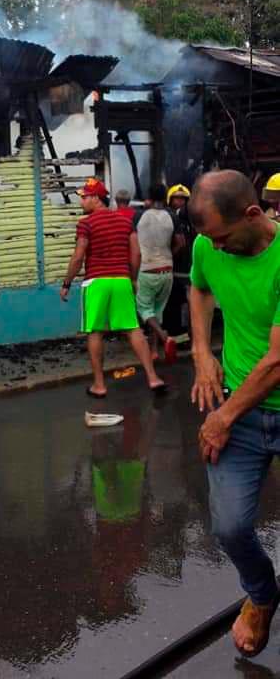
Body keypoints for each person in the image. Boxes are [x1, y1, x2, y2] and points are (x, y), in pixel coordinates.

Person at [188, 170, 280, 658]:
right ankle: (263, 595)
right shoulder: (209, 246)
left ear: (253, 214)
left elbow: (277, 361)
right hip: (242, 408)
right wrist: (203, 353)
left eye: (221, 238)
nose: (215, 249)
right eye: (208, 240)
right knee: (229, 526)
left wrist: (221, 417)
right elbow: (200, 290)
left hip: (248, 402)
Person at [60, 177, 165, 398]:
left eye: (85, 197)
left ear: (96, 199)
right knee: (132, 328)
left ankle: (99, 385)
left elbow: (79, 255)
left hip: (97, 282)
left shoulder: (86, 223)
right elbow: (136, 253)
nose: (82, 202)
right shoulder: (126, 222)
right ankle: (153, 378)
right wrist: (133, 278)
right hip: (121, 280)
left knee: (95, 331)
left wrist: (67, 282)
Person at [135, 184, 183, 362]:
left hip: (147, 269)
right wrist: (169, 254)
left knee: (144, 309)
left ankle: (165, 338)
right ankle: (154, 351)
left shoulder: (139, 216)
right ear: (165, 197)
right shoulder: (171, 216)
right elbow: (180, 242)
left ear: (149, 196)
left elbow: (133, 245)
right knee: (157, 312)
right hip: (167, 270)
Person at [167, 184, 195, 337]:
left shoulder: (191, 219)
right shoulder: (170, 217)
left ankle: (190, 334)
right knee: (178, 304)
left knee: (186, 303)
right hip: (178, 267)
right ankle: (183, 336)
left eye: (183, 199)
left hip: (185, 266)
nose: (180, 202)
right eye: (176, 199)